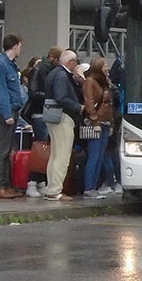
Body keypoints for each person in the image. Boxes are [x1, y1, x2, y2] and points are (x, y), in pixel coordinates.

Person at [43, 50, 85, 201]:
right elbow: (61, 97)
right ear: (71, 62)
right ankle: (55, 190)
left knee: (55, 155)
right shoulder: (62, 75)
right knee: (62, 156)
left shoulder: (53, 73)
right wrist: (77, 107)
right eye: (76, 62)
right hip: (63, 117)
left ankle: (51, 188)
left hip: (53, 117)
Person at [0, 34, 25, 199]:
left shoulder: (10, 64)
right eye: (20, 46)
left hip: (13, 109)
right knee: (1, 150)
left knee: (8, 150)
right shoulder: (1, 64)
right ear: (15, 46)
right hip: (7, 110)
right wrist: (6, 113)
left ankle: (6, 184)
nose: (20, 49)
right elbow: (1, 90)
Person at [81, 57, 113, 199]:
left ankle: (93, 186)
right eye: (104, 65)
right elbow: (89, 101)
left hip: (105, 122)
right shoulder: (90, 82)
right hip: (97, 122)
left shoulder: (103, 83)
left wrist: (110, 123)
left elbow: (109, 105)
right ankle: (89, 188)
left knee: (100, 156)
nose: (107, 68)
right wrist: (94, 121)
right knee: (94, 156)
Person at [28, 46, 63, 142]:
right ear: (52, 58)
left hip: (50, 111)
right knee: (44, 144)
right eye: (58, 60)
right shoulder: (38, 70)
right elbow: (32, 92)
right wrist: (50, 96)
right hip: (40, 112)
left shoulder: (54, 72)